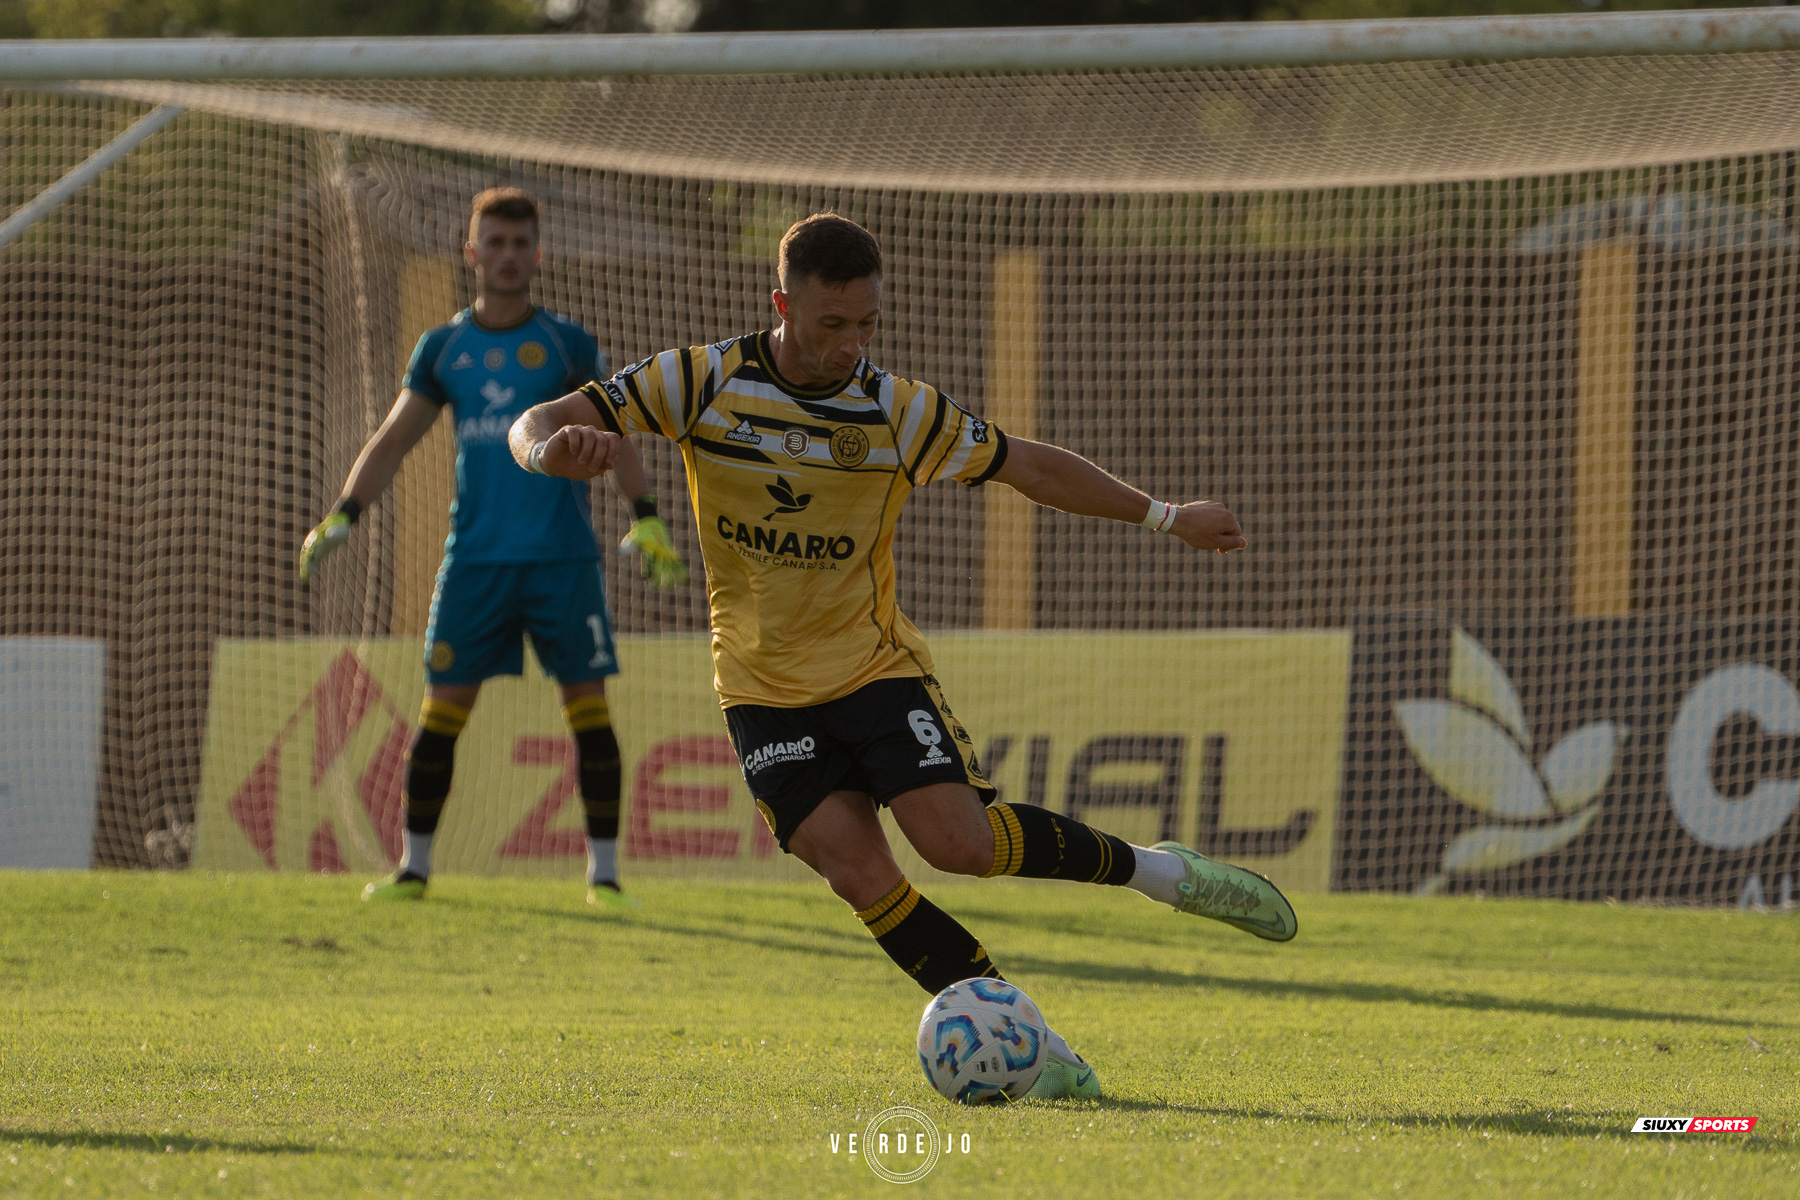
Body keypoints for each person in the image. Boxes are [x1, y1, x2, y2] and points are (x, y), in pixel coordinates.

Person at [506, 212, 1295, 1098]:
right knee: (859, 874)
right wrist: (547, 452)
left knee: (958, 845)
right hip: (758, 689)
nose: (851, 345)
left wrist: (1165, 516)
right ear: (782, 305)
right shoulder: (701, 380)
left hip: (872, 669)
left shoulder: (894, 410)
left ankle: (1164, 874)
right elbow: (536, 420)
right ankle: (1040, 1056)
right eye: (830, 325)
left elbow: (1027, 466)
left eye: (866, 325)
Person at [297, 187, 686, 909]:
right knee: (440, 712)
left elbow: (613, 429)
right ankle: (414, 869)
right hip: (474, 561)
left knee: (589, 711)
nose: (507, 256)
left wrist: (648, 515)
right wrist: (343, 513)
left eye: (519, 244)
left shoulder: (566, 343)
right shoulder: (444, 348)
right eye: (494, 243)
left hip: (561, 559)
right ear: (471, 252)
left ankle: (604, 877)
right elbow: (392, 440)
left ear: (536, 254)